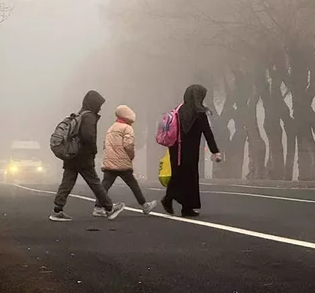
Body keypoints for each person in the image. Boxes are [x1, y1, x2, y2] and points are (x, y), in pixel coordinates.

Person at [50, 90, 126, 222]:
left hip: (72, 154)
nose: (100, 108)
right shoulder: (89, 117)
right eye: (99, 105)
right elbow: (88, 137)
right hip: (83, 156)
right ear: (93, 104)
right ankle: (109, 208)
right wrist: (94, 151)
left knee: (67, 183)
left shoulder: (80, 114)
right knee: (95, 183)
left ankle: (57, 210)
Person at [161, 85, 222, 217]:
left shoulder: (178, 110)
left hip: (175, 149)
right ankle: (184, 206)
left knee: (177, 175)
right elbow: (207, 133)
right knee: (190, 177)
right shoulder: (199, 113)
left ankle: (172, 199)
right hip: (191, 150)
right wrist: (215, 151)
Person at [91, 105, 158, 217]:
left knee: (105, 185)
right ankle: (144, 205)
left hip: (110, 162)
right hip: (122, 162)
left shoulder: (111, 128)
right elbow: (128, 145)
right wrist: (131, 156)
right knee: (133, 184)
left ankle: (98, 207)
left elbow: (105, 145)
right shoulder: (127, 128)